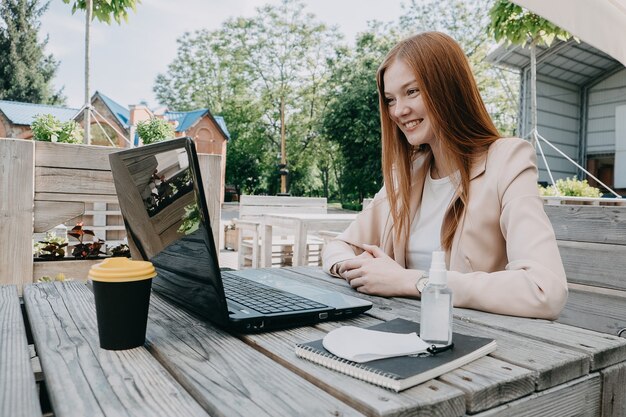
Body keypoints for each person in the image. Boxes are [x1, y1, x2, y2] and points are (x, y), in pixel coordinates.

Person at [322, 31, 567, 320]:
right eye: (390, 99)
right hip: (404, 329)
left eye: (412, 91)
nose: (399, 111)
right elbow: (338, 246)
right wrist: (358, 269)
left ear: (449, 89)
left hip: (482, 342)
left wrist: (412, 281)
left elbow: (544, 290)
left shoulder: (508, 160)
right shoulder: (407, 175)